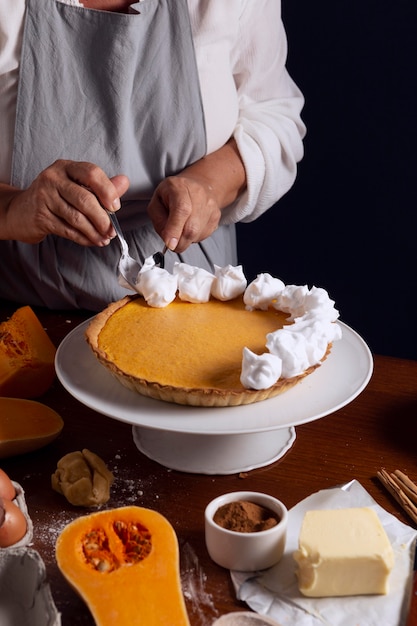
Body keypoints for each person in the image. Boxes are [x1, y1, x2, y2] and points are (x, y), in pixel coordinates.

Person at [0, 0, 306, 311]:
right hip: (18, 317)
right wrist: (11, 209)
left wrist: (207, 185)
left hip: (192, 306)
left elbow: (272, 115)